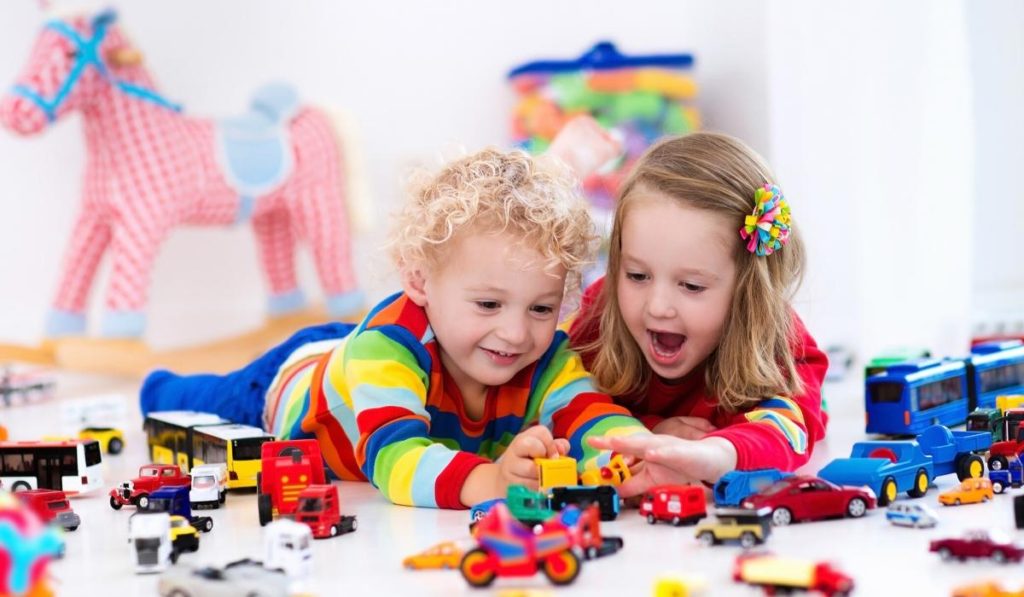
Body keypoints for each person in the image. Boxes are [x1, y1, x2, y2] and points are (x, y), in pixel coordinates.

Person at [141, 147, 647, 509]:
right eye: (489, 303)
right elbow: (397, 462)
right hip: (287, 387)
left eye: (541, 309)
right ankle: (155, 387)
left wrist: (641, 451)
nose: (516, 334)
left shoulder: (543, 357)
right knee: (190, 403)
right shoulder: (387, 350)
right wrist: (490, 479)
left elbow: (591, 413)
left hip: (351, 352)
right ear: (420, 280)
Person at [568, 132, 828, 496]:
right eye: (637, 276)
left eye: (691, 286)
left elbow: (785, 430)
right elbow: (556, 409)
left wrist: (715, 453)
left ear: (747, 288)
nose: (657, 306)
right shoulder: (597, 317)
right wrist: (645, 433)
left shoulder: (778, 339)